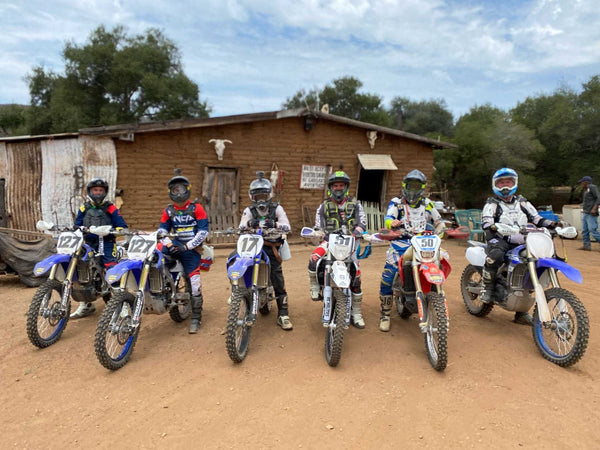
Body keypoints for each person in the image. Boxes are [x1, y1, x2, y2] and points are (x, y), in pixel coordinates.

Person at [481, 167, 557, 325]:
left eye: (508, 182)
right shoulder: (492, 203)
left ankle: (521, 312)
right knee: (495, 256)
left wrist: (552, 224)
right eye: (501, 182)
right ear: (495, 185)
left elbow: (536, 218)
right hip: (500, 238)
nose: (505, 186)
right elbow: (486, 220)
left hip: (523, 239)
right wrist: (493, 226)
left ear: (514, 183)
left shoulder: (522, 201)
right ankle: (487, 288)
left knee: (532, 264)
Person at [378, 169, 444, 332]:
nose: (413, 190)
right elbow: (388, 218)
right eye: (410, 186)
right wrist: (391, 224)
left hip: (424, 243)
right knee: (389, 274)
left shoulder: (428, 204)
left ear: (422, 187)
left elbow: (438, 221)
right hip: (401, 242)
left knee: (439, 262)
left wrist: (441, 232)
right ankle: (385, 314)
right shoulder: (397, 202)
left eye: (416, 186)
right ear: (404, 186)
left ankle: (434, 297)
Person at [307, 170, 367, 328]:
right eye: (336, 185)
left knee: (356, 277)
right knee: (313, 259)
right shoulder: (323, 206)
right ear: (331, 187)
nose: (338, 188)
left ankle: (356, 313)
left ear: (346, 187)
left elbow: (362, 223)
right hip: (329, 242)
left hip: (350, 244)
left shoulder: (355, 204)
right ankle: (315, 286)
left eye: (341, 185)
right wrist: (319, 234)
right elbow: (318, 225)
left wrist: (356, 233)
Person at [238, 172, 293, 330]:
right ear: (252, 196)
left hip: (271, 246)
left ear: (269, 195)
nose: (261, 199)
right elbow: (241, 227)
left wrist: (274, 225)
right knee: (236, 260)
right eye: (257, 196)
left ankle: (283, 314)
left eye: (264, 195)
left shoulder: (277, 208)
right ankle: (238, 292)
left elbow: (287, 227)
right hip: (253, 245)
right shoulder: (249, 211)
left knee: (277, 277)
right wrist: (249, 224)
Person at [158, 172, 209, 334]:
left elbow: (203, 232)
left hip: (191, 248)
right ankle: (163, 289)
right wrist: (168, 243)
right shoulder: (168, 210)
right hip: (175, 244)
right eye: (175, 190)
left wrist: (187, 247)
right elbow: (162, 231)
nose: (178, 193)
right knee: (154, 257)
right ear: (170, 192)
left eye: (181, 190)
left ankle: (195, 317)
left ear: (187, 190)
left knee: (194, 282)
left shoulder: (197, 208)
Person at [70, 178, 128, 319]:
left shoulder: (111, 207)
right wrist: (80, 228)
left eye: (100, 190)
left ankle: (123, 305)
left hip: (107, 243)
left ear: (105, 192)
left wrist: (112, 230)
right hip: (89, 243)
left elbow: (122, 226)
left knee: (112, 269)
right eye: (95, 190)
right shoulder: (84, 207)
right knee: (83, 269)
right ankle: (86, 305)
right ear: (90, 191)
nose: (97, 193)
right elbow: (76, 225)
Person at [578, 175, 600, 251]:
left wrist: (594, 208)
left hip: (591, 213)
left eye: (582, 182)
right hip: (586, 212)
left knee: (593, 230)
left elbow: (598, 198)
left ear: (586, 182)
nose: (581, 183)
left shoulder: (592, 187)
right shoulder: (587, 189)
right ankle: (586, 245)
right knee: (584, 230)